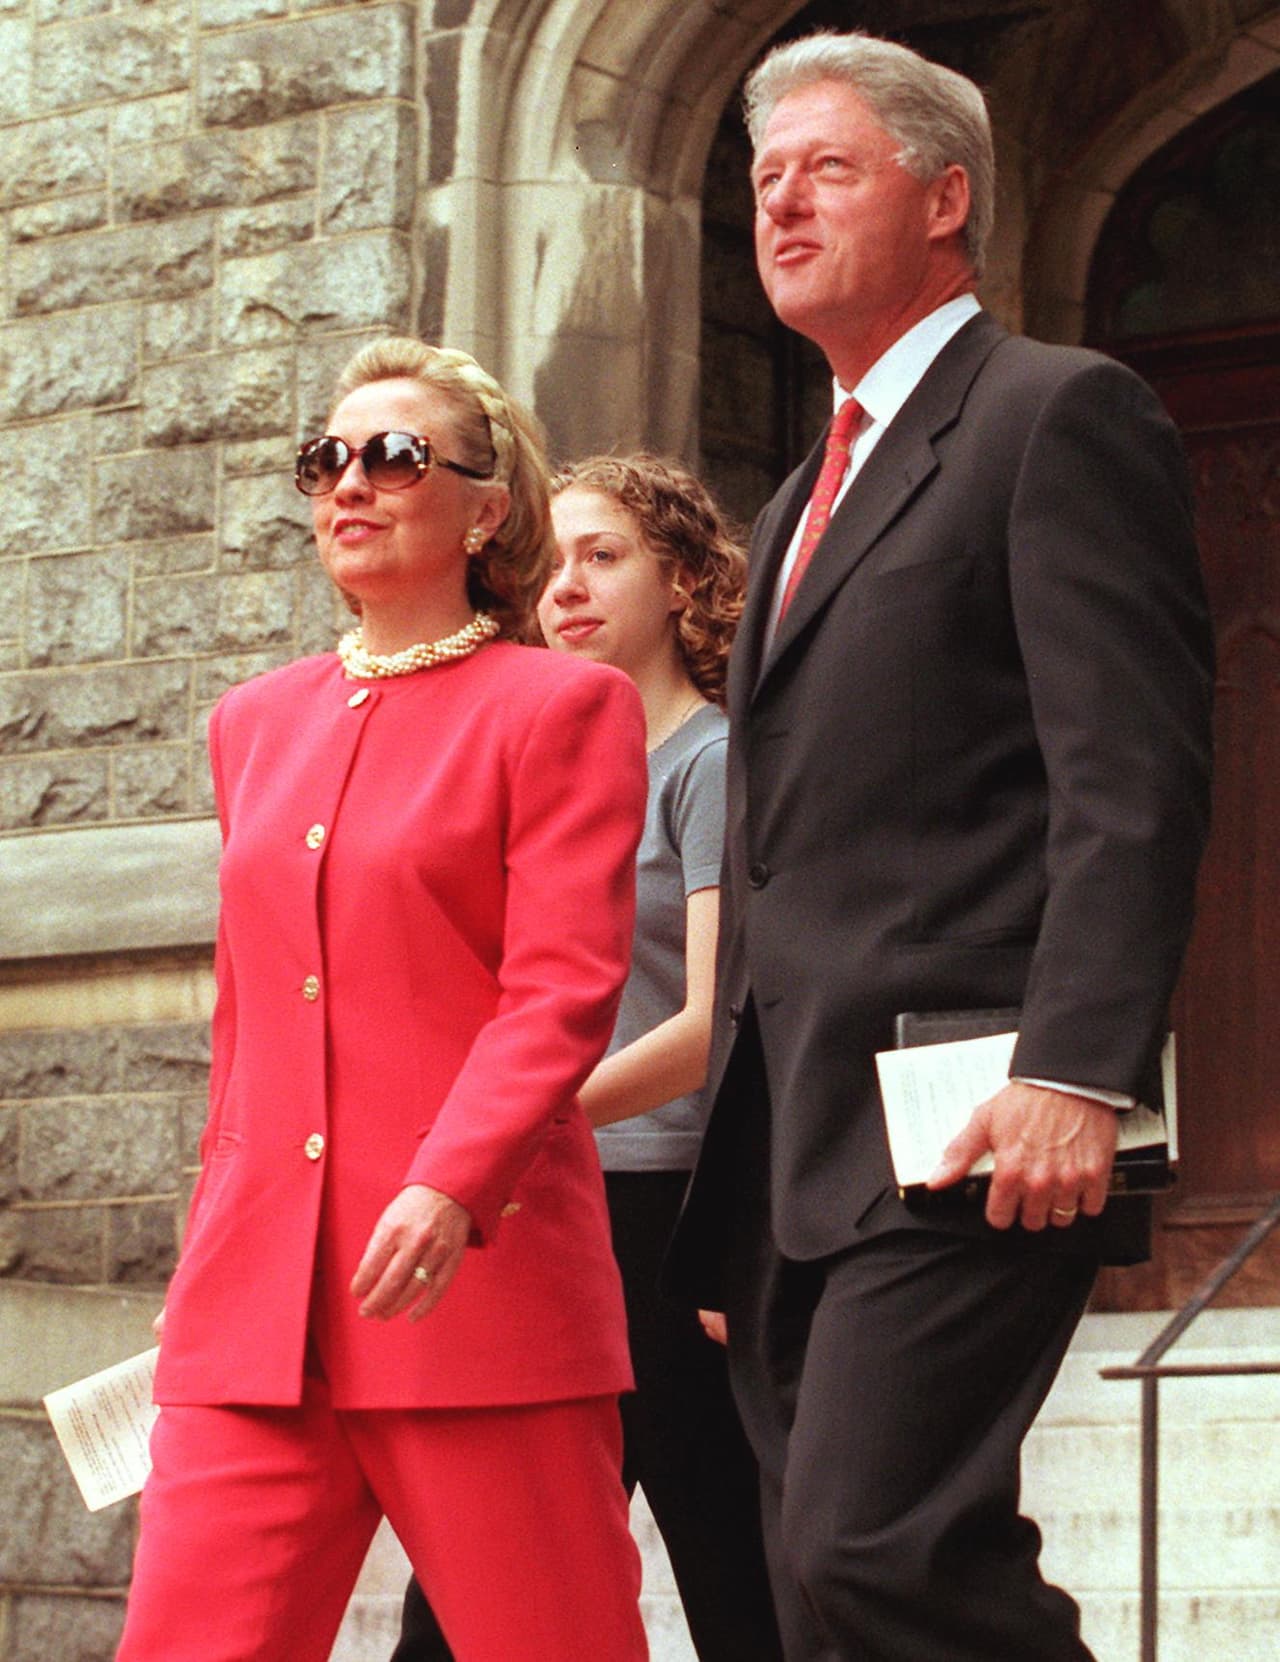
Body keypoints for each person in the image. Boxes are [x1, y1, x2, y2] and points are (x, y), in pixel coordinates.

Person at [666, 30, 1215, 1662]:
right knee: (817, 1597)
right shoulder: (790, 506)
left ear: (945, 196)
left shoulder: (1057, 416)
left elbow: (1133, 777)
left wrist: (1078, 1065)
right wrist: (733, 1187)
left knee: (874, 1550)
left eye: (828, 167)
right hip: (793, 1149)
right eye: (764, 177)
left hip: (975, 1114)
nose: (781, 203)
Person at [116, 337, 652, 1662]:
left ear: (486, 509)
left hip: (477, 1283)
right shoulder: (251, 720)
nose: (350, 482)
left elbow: (560, 991)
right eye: (326, 458)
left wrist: (450, 1178)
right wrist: (212, 1244)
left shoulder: (561, 707)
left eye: (396, 455)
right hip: (256, 1312)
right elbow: (246, 1025)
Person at [392, 456, 783, 1662]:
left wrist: (514, 1126)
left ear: (682, 584)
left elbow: (710, 1024)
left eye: (602, 555)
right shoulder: (539, 766)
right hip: (542, 1206)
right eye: (551, 560)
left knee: (730, 1572)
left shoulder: (709, 764)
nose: (565, 586)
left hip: (662, 1217)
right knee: (472, 1583)